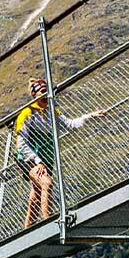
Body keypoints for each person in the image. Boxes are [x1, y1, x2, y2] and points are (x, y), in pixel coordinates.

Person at [14, 78, 88, 227]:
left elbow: (70, 125)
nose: (46, 94)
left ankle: (28, 229)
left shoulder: (52, 111)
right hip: (29, 158)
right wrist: (37, 161)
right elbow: (21, 143)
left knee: (36, 195)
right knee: (46, 183)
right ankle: (49, 222)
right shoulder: (27, 113)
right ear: (35, 94)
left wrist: (89, 117)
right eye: (43, 91)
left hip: (46, 159)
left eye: (47, 91)